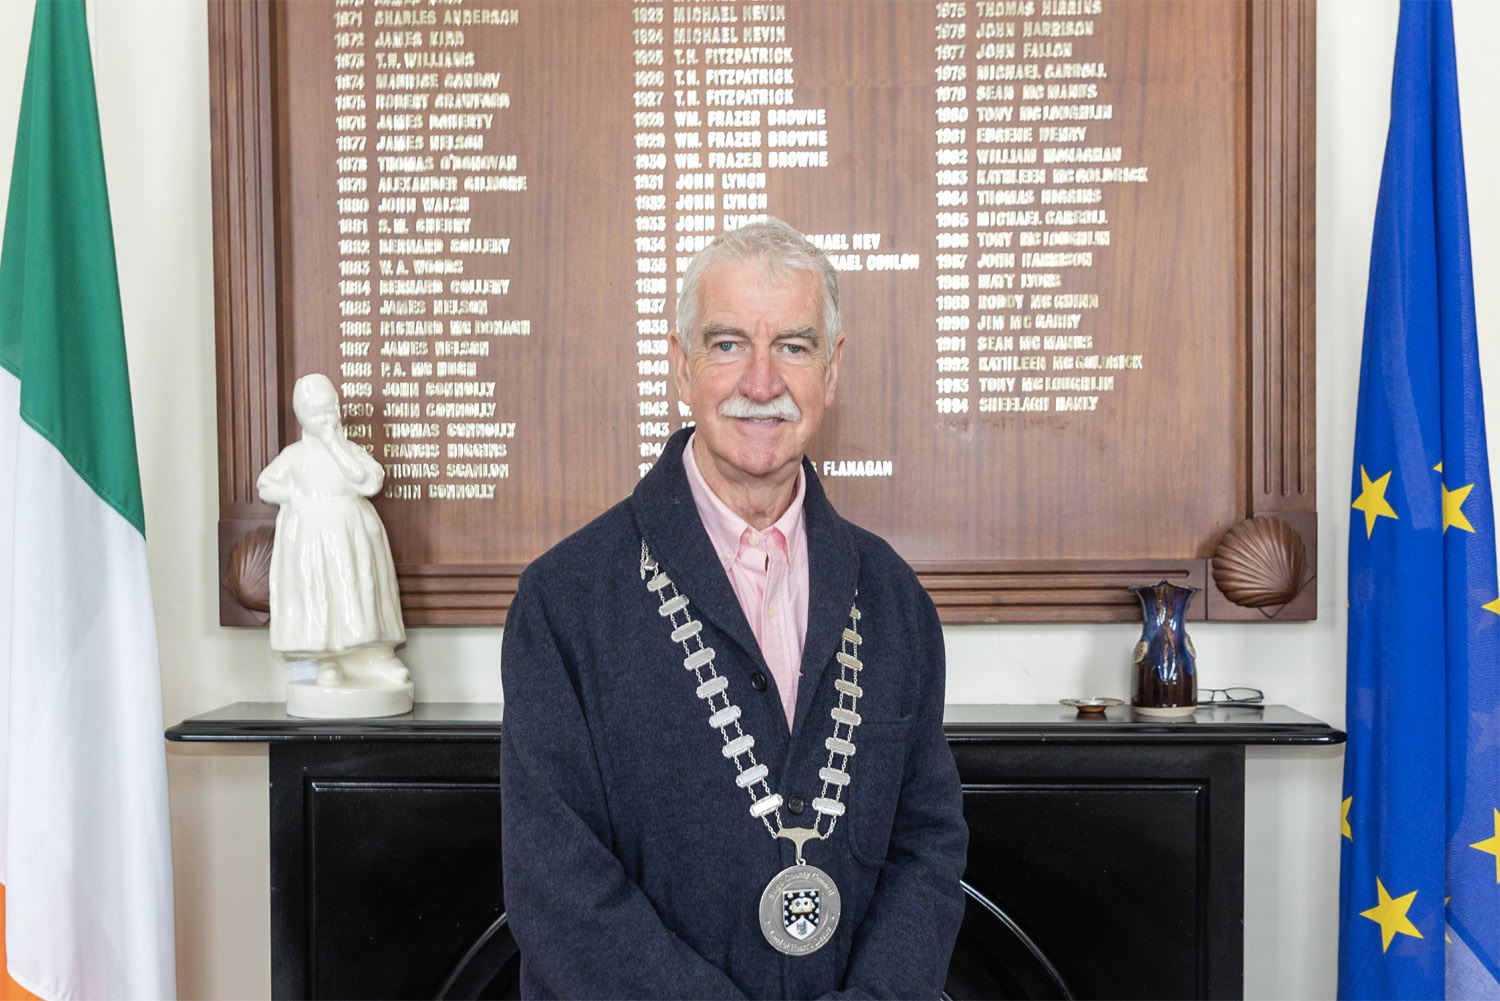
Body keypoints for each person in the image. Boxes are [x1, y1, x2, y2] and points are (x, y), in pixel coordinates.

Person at [500, 220, 968, 999]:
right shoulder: (563, 601)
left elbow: (929, 844)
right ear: (682, 365)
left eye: (792, 344)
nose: (760, 382)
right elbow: (558, 887)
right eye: (726, 345)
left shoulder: (893, 599)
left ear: (833, 365)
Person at [256, 372, 409, 690]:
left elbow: (368, 481)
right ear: (303, 417)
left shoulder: (349, 450)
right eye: (318, 414)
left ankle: (374, 658)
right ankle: (330, 662)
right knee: (322, 598)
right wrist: (295, 497)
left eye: (332, 409)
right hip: (315, 540)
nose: (328, 419)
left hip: (353, 535)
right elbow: (266, 484)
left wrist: (335, 446)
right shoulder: (295, 456)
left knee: (363, 594)